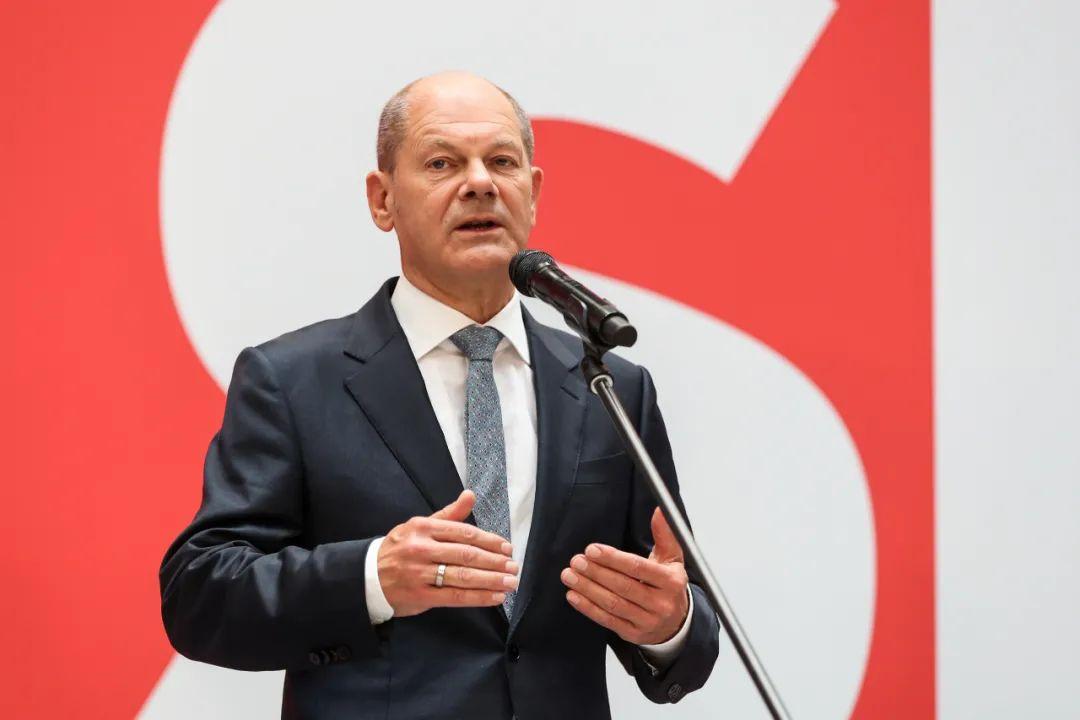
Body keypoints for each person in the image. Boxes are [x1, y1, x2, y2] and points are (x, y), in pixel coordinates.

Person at [159, 71, 720, 719]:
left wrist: (670, 623)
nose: (480, 182)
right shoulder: (292, 380)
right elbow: (201, 595)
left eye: (502, 162)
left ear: (533, 193)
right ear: (383, 201)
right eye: (442, 163)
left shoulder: (611, 387)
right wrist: (372, 577)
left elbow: (686, 618)